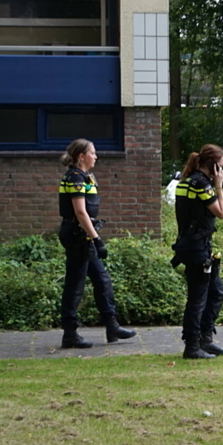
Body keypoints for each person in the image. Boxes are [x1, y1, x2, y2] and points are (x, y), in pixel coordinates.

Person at [58, 139, 137, 348]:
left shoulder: (86, 177)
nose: (96, 156)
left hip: (84, 235)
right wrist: (96, 239)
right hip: (78, 236)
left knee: (102, 281)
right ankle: (70, 334)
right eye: (93, 153)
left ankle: (112, 327)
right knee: (75, 285)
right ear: (81, 156)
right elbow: (80, 212)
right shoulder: (75, 178)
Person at [172, 144, 223, 360]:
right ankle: (192, 346)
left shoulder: (187, 182)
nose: (221, 171)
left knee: (216, 292)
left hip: (194, 244)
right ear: (212, 166)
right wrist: (219, 186)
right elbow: (221, 213)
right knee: (198, 298)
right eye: (220, 167)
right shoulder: (200, 184)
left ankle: (205, 339)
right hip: (196, 248)